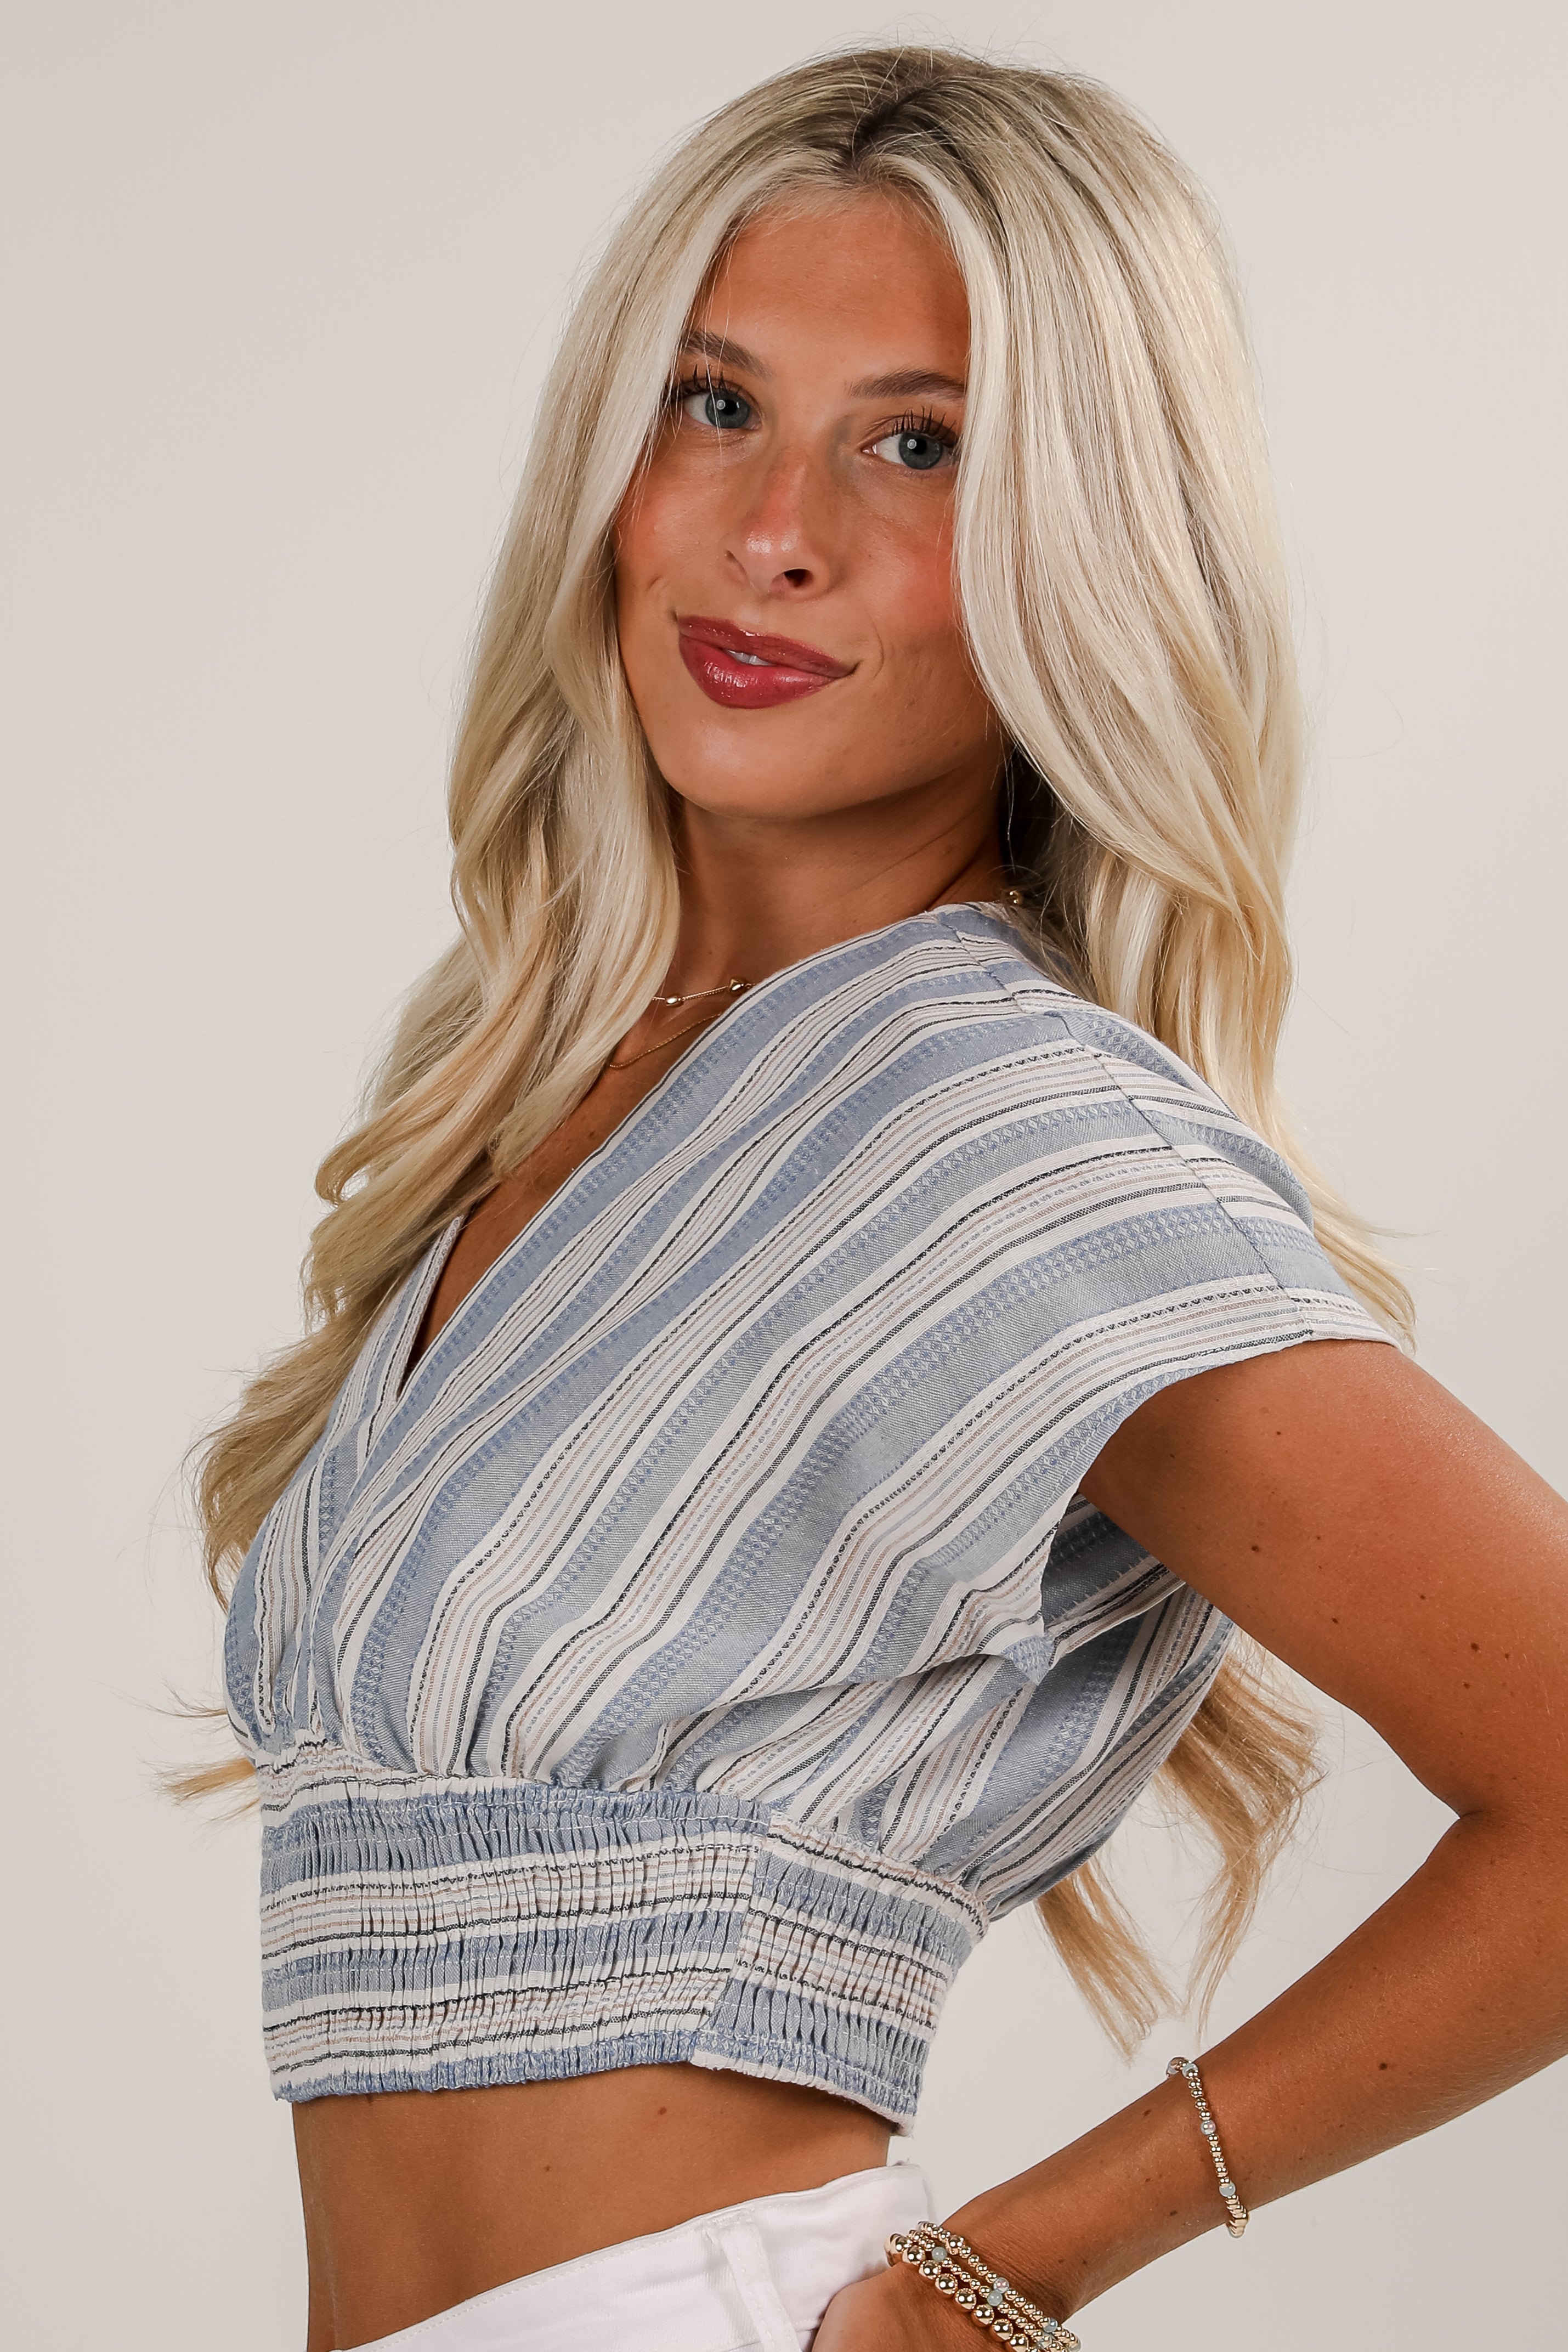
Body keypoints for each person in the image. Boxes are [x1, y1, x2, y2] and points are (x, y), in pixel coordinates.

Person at [190, 47, 1568, 2352]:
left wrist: (993, 2283)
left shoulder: (1003, 1126)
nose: (774, 533)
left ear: (1082, 542)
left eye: (916, 445)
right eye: (714, 405)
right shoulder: (557, 1090)